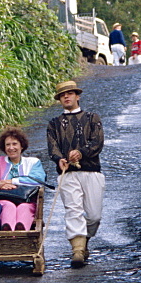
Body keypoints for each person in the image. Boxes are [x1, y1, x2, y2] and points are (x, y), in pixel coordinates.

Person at [47, 81, 104, 268]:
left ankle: (84, 240)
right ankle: (77, 250)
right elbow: (52, 147)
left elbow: (97, 143)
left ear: (77, 96)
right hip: (67, 173)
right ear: (59, 99)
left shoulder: (92, 118)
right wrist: (58, 159)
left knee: (94, 215)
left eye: (70, 93)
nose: (66, 96)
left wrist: (81, 152)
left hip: (92, 171)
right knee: (73, 210)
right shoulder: (54, 124)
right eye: (62, 94)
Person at [0, 127, 46, 231]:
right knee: (8, 206)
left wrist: (12, 181)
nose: (11, 148)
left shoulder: (33, 162)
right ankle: (8, 232)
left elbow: (38, 180)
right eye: (8, 145)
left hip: (26, 200)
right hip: (3, 200)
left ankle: (21, 232)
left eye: (14, 144)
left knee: (24, 207)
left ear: (21, 146)